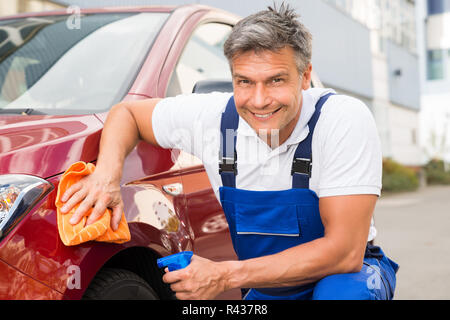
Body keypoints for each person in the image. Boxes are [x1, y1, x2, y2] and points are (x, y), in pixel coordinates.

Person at [60, 3, 398, 300]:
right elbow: (127, 113)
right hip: (269, 285)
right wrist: (106, 175)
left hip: (346, 277)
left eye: (276, 80)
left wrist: (224, 275)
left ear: (305, 76)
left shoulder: (341, 120)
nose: (259, 100)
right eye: (245, 81)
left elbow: (344, 253)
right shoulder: (214, 119)